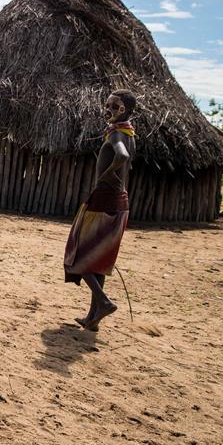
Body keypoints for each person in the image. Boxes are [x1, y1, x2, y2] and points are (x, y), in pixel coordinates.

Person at [65, 90, 137, 331]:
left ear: (125, 110)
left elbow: (122, 157)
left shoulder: (117, 133)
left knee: (79, 253)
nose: (108, 110)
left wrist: (106, 174)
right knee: (100, 260)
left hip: (104, 199)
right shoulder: (130, 134)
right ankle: (92, 318)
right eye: (107, 105)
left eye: (114, 106)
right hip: (120, 201)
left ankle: (104, 302)